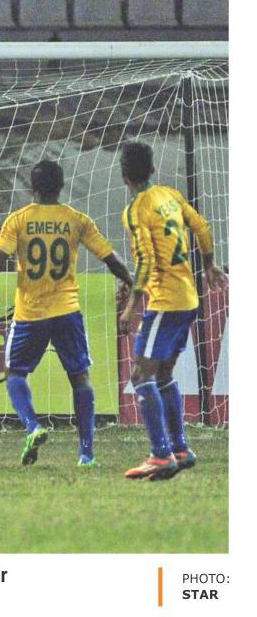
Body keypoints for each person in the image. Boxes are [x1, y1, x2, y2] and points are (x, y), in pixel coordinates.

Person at [0, 160, 133, 467]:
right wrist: (133, 282)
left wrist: (0, 257)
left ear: (33, 188)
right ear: (61, 186)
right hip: (67, 311)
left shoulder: (19, 220)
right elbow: (110, 258)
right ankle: (86, 454)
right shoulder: (76, 220)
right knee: (80, 378)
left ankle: (33, 426)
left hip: (31, 313)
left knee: (14, 373)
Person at [116, 142, 227, 481]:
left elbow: (146, 260)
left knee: (140, 375)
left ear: (124, 175)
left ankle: (160, 454)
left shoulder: (136, 210)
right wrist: (209, 264)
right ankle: (180, 449)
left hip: (165, 302)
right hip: (189, 298)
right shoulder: (170, 195)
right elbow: (202, 226)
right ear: (151, 170)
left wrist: (131, 306)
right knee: (162, 374)